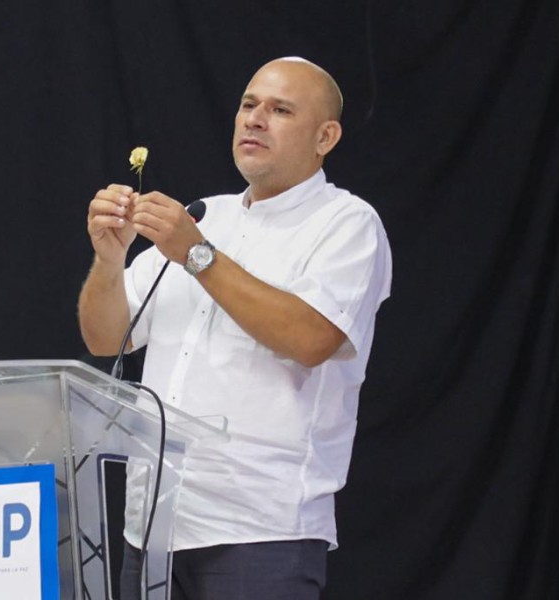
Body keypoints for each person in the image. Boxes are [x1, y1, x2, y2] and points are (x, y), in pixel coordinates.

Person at [78, 57, 392, 599]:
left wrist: (196, 254)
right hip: (151, 528)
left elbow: (311, 339)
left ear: (326, 136)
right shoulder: (204, 215)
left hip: (261, 530)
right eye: (249, 105)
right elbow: (108, 338)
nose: (254, 119)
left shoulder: (347, 224)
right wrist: (109, 262)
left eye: (279, 109)